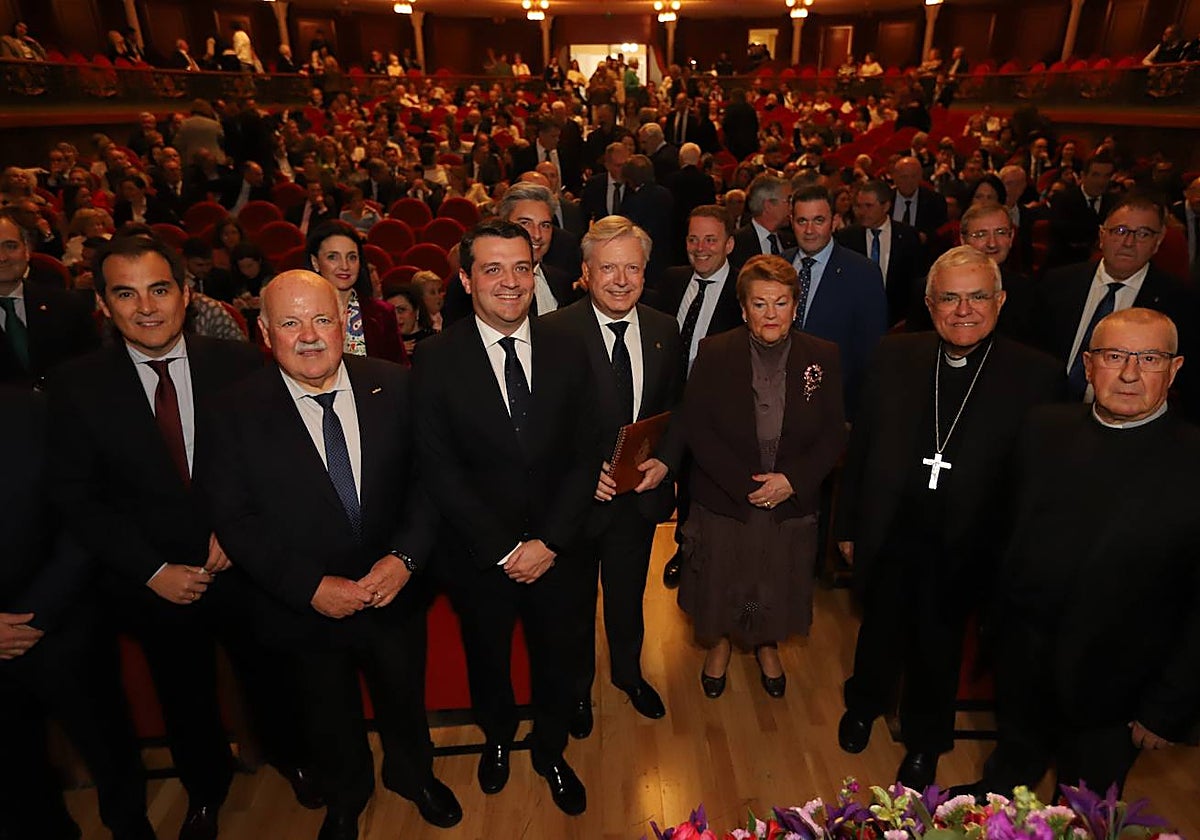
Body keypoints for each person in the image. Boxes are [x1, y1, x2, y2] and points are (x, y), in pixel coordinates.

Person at [48, 232, 317, 840]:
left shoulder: (242, 363)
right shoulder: (75, 387)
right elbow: (77, 498)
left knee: (271, 675)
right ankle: (205, 789)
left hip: (247, 566)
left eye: (160, 289)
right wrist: (150, 571)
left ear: (187, 294)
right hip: (153, 581)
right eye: (126, 293)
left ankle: (292, 758)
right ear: (103, 303)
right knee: (183, 695)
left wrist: (238, 533)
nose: (146, 307)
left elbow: (278, 464)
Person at [202, 270, 461, 837]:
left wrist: (405, 561)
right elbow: (234, 519)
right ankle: (346, 794)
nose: (310, 336)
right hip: (301, 606)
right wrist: (310, 588)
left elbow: (429, 483)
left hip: (393, 590)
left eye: (322, 319)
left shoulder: (396, 385)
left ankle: (413, 776)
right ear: (265, 332)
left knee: (403, 696)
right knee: (326, 712)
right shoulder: (231, 411)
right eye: (290, 323)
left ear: (345, 323)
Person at [835, 245, 1063, 791]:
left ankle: (924, 742)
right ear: (930, 304)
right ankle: (864, 703)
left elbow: (1037, 482)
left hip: (969, 542)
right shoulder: (896, 355)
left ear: (1000, 300)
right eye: (950, 297)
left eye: (977, 296)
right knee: (878, 629)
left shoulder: (1038, 376)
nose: (963, 310)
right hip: (891, 528)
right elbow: (862, 447)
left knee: (938, 647)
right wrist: (846, 525)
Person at [966, 307, 1200, 799]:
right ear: (1089, 365)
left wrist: (1167, 707)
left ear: (1174, 369)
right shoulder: (1041, 428)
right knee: (1004, 783)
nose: (1131, 373)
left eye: (1150, 358)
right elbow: (1003, 530)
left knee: (1080, 812)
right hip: (1022, 670)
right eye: (1115, 356)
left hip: (1115, 696)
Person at [411, 220, 597, 816]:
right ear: (465, 280)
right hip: (478, 556)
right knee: (487, 657)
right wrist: (502, 549)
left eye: (522, 267)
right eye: (492, 269)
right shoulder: (436, 358)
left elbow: (585, 455)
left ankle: (549, 750)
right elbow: (438, 470)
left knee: (556, 658)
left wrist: (548, 541)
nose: (510, 282)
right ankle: (496, 740)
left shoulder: (569, 346)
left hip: (557, 549)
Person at [542, 216, 685, 736]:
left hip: (638, 501)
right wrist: (579, 477)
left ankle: (628, 675)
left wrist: (666, 460)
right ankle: (578, 691)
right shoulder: (553, 332)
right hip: (576, 507)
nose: (621, 279)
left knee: (627, 598)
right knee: (576, 605)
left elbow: (678, 408)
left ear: (646, 273)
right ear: (586, 271)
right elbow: (540, 426)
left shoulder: (665, 329)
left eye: (633, 268)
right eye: (609, 268)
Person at [679, 254, 845, 699]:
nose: (770, 314)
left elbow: (833, 434)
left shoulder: (822, 355)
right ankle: (723, 644)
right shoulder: (714, 352)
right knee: (726, 578)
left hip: (790, 498)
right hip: (727, 497)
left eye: (780, 303)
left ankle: (763, 642)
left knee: (770, 580)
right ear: (743, 307)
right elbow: (697, 426)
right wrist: (746, 487)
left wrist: (792, 481)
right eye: (759, 304)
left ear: (795, 304)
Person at [0, 387, 155, 840]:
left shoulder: (33, 412)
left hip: (63, 621)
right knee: (14, 777)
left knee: (108, 747)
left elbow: (85, 515)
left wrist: (39, 612)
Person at [1031, 193, 1195, 410]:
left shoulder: (1181, 302)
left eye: (1143, 234)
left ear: (1158, 241)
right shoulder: (1058, 282)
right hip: (1049, 412)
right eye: (1119, 231)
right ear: (1102, 236)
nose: (1129, 242)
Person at [653, 205, 746, 588]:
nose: (701, 248)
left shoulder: (743, 289)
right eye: (693, 239)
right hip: (670, 405)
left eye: (710, 239)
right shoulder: (672, 281)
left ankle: (706, 556)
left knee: (705, 486)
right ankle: (682, 546)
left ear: (729, 244)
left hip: (719, 412)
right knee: (675, 483)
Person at [784, 184, 888, 419]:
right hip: (777, 404)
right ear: (791, 222)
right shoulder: (778, 266)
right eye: (802, 221)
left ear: (835, 221)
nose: (809, 230)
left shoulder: (863, 273)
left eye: (818, 220)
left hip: (834, 408)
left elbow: (870, 353)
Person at [0, 208, 99, 387]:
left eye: (11, 246)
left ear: (27, 251)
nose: (2, 257)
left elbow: (94, 372)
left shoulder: (68, 306)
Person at [307, 220, 404, 363]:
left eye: (352, 257)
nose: (345, 266)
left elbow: (398, 368)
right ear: (315, 262)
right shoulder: (300, 313)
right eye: (333, 257)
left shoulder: (382, 313)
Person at [834, 179, 926, 327]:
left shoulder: (908, 236)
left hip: (898, 322)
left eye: (869, 206)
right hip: (856, 320)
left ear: (886, 206)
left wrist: (909, 318)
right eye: (859, 206)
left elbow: (916, 280)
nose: (862, 212)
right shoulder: (846, 238)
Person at [730, 174, 794, 267]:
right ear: (768, 205)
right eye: (788, 201)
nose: (792, 207)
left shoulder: (791, 241)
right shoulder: (736, 244)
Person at [891, 156, 949, 245]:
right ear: (894, 177)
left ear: (920, 177)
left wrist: (926, 238)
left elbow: (942, 234)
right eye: (904, 177)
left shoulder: (935, 201)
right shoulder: (885, 199)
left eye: (913, 176)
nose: (909, 181)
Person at [580, 141, 631, 224]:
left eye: (626, 164)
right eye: (618, 166)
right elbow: (584, 215)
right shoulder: (594, 184)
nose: (623, 169)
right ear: (607, 165)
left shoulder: (634, 184)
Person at [383, 281, 435, 355]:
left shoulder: (434, 341)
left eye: (401, 310)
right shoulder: (385, 345)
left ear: (417, 311)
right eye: (391, 312)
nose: (396, 317)